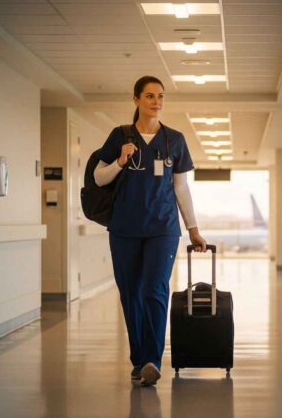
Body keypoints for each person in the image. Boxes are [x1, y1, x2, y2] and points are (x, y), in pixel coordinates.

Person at [93, 75, 207, 387]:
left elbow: (181, 188)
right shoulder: (120, 135)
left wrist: (193, 228)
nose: (156, 101)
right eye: (149, 96)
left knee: (154, 290)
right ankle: (138, 358)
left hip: (162, 228)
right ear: (136, 100)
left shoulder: (174, 139)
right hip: (124, 228)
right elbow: (99, 178)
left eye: (160, 96)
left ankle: (152, 360)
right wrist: (120, 160)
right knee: (131, 294)